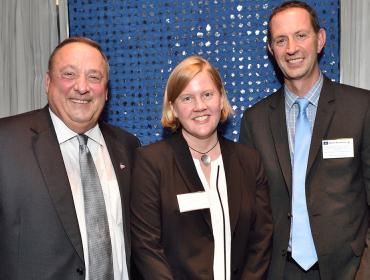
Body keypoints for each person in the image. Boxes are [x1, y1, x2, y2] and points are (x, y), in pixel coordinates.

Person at [239, 1, 370, 279]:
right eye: (281, 40)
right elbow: (251, 212)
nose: (291, 49)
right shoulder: (255, 121)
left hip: (348, 270)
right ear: (271, 50)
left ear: (320, 39)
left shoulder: (361, 108)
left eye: (301, 35)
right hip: (279, 271)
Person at [0, 37, 140, 279]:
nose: (82, 87)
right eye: (69, 74)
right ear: (47, 82)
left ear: (106, 91)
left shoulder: (128, 147)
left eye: (94, 77)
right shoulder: (6, 143)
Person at [131, 55, 272, 279]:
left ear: (221, 98)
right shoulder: (151, 162)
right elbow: (146, 247)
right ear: (173, 108)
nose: (200, 106)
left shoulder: (249, 161)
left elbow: (261, 239)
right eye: (187, 98)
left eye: (207, 94)